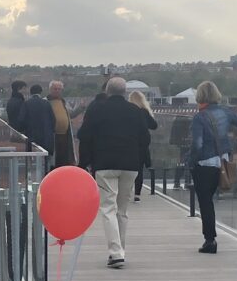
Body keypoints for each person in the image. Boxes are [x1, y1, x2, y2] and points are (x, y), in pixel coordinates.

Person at [77, 77, 149, 268]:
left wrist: (84, 163)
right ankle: (120, 251)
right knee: (122, 210)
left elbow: (83, 136)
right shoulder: (135, 111)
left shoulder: (97, 110)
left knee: (108, 207)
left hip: (105, 163)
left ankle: (116, 253)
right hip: (130, 165)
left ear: (107, 91)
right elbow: (146, 138)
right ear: (125, 92)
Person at [189, 80, 237, 253]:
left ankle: (210, 240)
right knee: (211, 199)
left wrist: (191, 162)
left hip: (204, 164)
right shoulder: (226, 112)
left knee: (205, 202)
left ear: (200, 96)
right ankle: (210, 238)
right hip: (222, 162)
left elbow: (197, 144)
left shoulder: (199, 117)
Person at [129, 90, 158, 202]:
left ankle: (128, 190)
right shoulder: (144, 112)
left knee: (129, 169)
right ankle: (137, 194)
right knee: (139, 169)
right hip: (142, 145)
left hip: (130, 143)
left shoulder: (129, 112)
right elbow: (154, 125)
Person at [22, 83, 56, 164]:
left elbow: (22, 120)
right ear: (40, 92)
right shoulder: (47, 103)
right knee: (46, 162)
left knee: (32, 163)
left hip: (32, 137)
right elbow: (53, 120)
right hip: (46, 137)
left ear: (31, 93)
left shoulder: (26, 104)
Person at [47, 80, 76, 168]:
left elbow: (71, 114)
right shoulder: (46, 102)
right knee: (54, 162)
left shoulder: (64, 102)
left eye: (59, 89)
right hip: (52, 137)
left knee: (65, 161)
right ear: (50, 90)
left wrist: (81, 108)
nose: (57, 91)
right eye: (55, 89)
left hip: (65, 137)